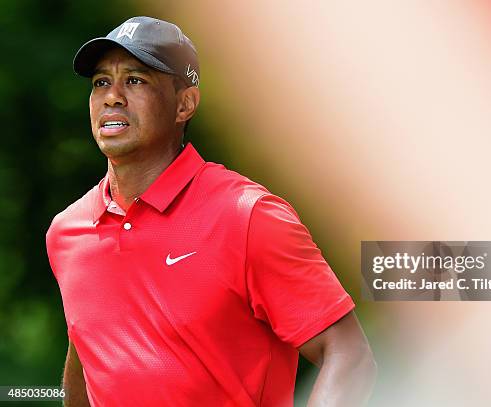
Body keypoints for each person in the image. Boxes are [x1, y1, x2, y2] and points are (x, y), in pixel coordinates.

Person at [45, 16, 376, 407]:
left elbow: (349, 356)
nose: (112, 96)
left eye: (136, 80)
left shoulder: (249, 216)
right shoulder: (67, 232)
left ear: (185, 104)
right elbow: (88, 357)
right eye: (101, 82)